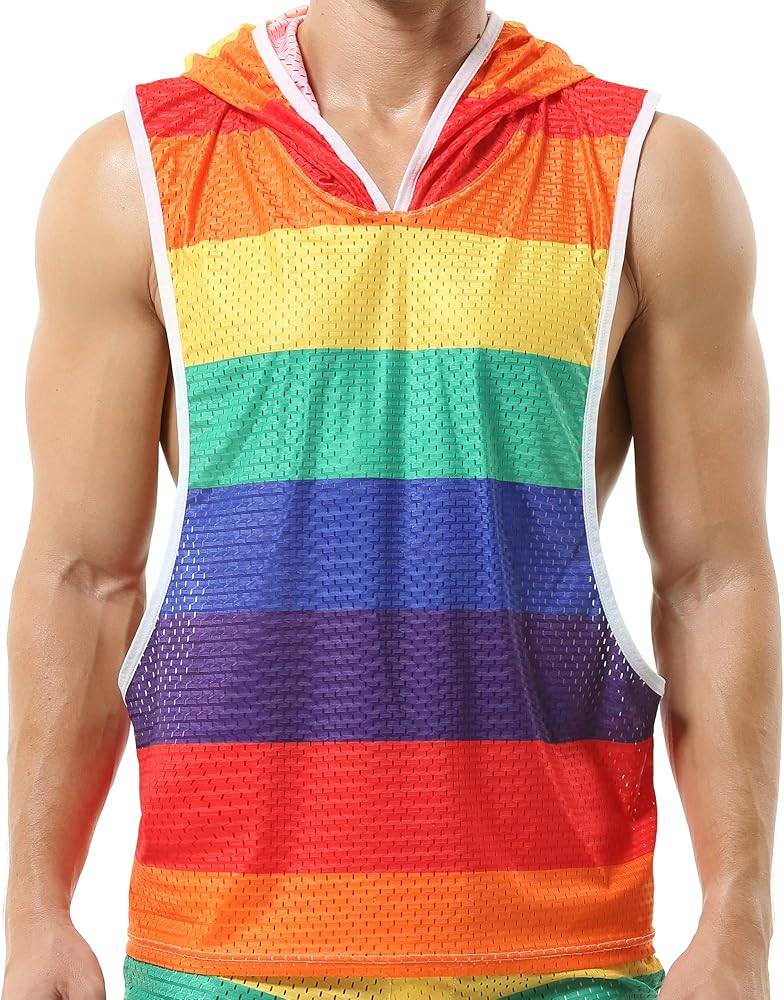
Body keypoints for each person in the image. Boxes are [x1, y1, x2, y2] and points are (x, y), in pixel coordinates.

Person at [2, 1, 780, 998]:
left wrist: (738, 919)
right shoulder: (136, 174)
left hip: (558, 965)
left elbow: (712, 577)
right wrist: (35, 910)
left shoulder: (648, 176)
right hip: (216, 965)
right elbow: (81, 578)